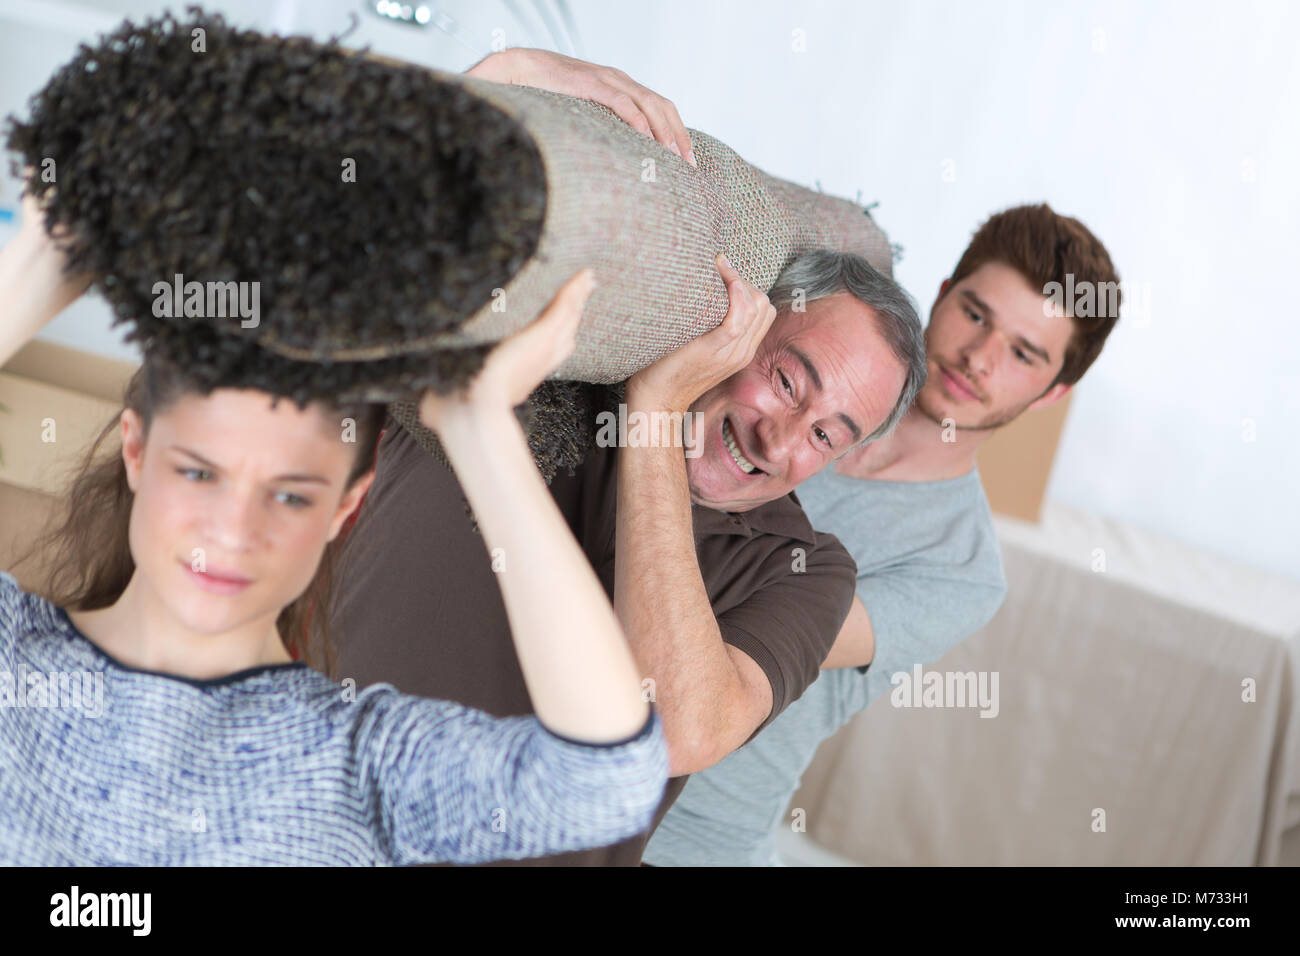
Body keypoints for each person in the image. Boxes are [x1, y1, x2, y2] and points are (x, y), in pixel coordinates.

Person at [329, 50, 929, 866]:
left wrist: (658, 413)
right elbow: (370, 225)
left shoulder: (802, 570)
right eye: (788, 380)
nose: (781, 442)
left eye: (829, 434)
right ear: (739, 323)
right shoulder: (543, 378)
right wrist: (504, 75)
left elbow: (677, 729)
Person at [0, 192, 668, 865]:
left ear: (345, 508)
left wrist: (479, 425)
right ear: (137, 452)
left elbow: (603, 781)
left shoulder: (362, 764)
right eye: (200, 474)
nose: (234, 531)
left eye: (290, 497)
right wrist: (32, 270)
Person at [645, 203, 1122, 865]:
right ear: (945, 294)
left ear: (1051, 393)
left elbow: (747, 618)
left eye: (1023, 352)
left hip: (693, 840)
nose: (978, 358)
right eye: (977, 314)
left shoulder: (961, 570)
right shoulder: (805, 369)